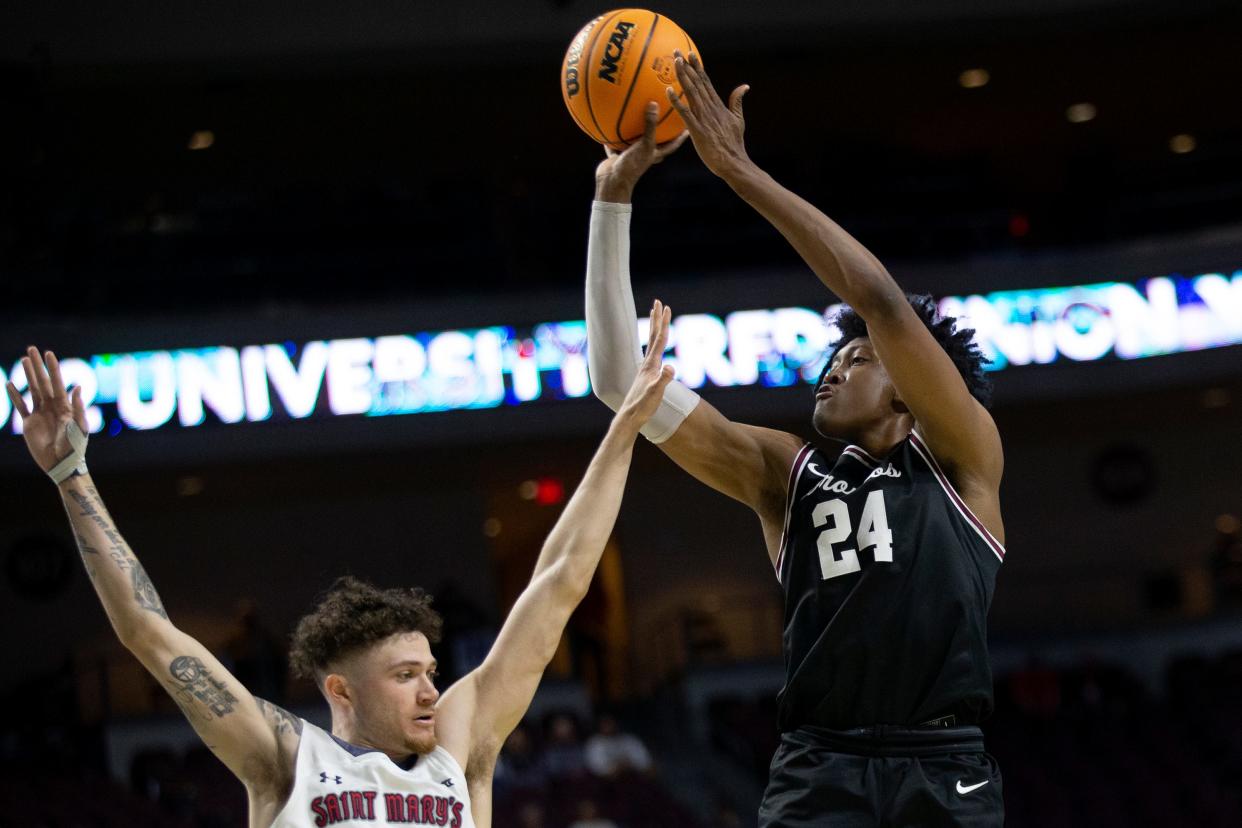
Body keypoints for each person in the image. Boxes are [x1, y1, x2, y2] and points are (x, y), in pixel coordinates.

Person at [6, 304, 677, 828]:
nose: (428, 692)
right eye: (406, 675)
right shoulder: (287, 758)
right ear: (341, 691)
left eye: (429, 673)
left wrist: (623, 428)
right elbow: (149, 634)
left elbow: (558, 582)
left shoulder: (457, 749)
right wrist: (71, 474)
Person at [585, 56, 1006, 825]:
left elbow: (876, 297)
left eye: (858, 360)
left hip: (944, 765)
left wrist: (739, 173)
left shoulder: (960, 459)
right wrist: (611, 202)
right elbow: (621, 383)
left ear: (913, 397)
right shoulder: (786, 470)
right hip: (819, 767)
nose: (832, 371)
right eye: (833, 358)